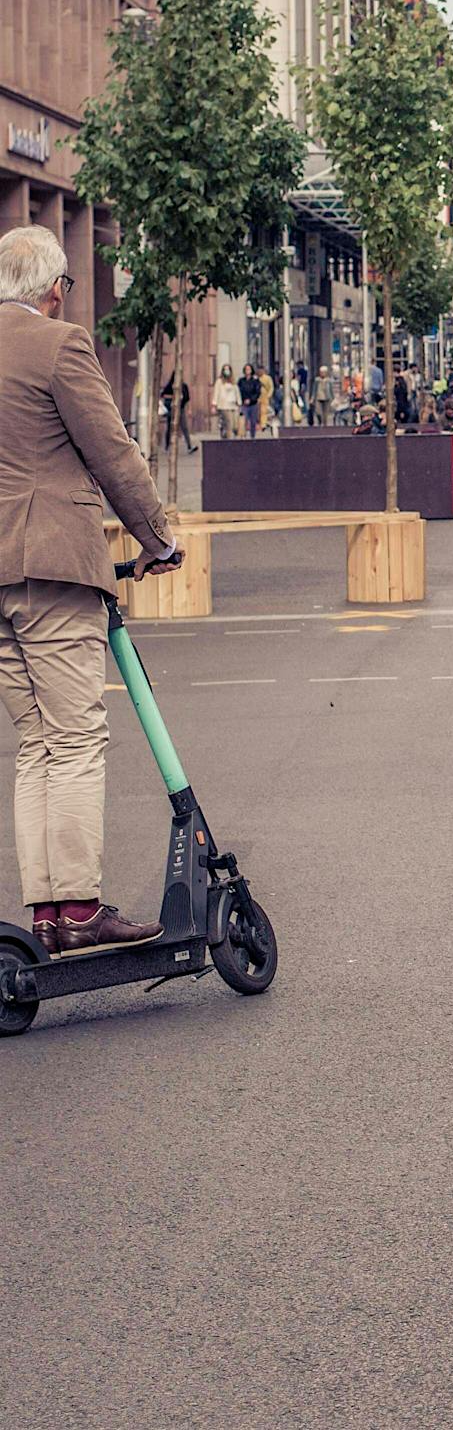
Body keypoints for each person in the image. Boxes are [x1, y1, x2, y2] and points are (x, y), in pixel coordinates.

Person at [0, 225, 183, 955]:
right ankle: (79, 910)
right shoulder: (58, 345)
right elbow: (112, 453)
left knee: (35, 744)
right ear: (53, 290)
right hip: (52, 567)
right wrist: (156, 539)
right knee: (75, 738)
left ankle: (46, 910)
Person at [160, 372, 197, 454]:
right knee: (169, 428)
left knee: (185, 428)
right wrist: (173, 397)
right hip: (172, 409)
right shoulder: (170, 386)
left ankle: (189, 446)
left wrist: (189, 409)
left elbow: (187, 399)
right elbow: (163, 395)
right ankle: (167, 446)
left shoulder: (184, 386)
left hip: (181, 409)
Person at [212, 365, 241, 439]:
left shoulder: (233, 381)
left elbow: (237, 392)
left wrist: (239, 402)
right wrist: (214, 405)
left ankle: (226, 434)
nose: (227, 371)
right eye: (225, 369)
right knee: (229, 423)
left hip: (233, 405)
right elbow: (216, 392)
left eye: (228, 369)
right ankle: (229, 440)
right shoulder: (219, 381)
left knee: (235, 425)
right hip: (224, 406)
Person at [237, 363, 261, 437]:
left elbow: (257, 392)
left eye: (249, 369)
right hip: (244, 404)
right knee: (244, 420)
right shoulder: (241, 381)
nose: (247, 371)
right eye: (246, 369)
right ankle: (243, 435)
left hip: (253, 404)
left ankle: (252, 436)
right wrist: (242, 400)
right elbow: (238, 391)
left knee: (253, 421)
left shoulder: (255, 381)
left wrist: (251, 400)